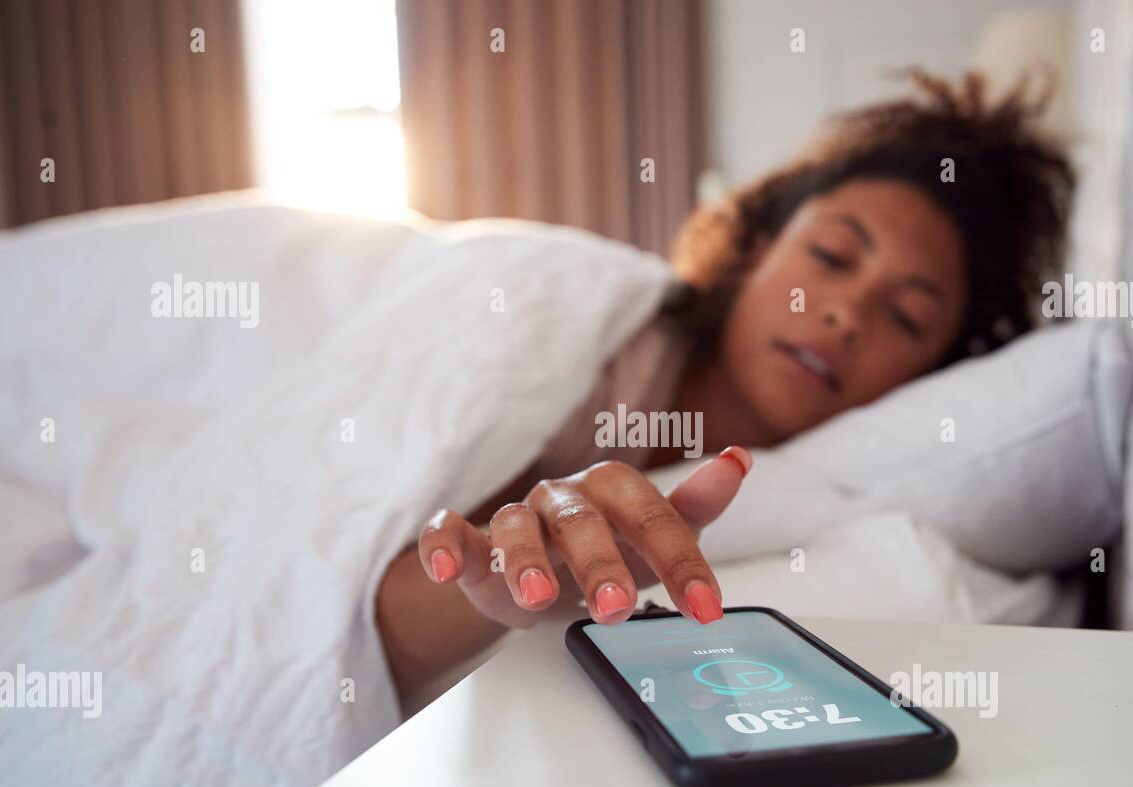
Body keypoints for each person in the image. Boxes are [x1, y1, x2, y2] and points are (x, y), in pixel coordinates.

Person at [375, 71, 1074, 709]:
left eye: (906, 317)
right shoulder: (586, 344)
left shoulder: (837, 499)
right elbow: (366, 630)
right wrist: (491, 576)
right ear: (754, 244)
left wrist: (513, 595)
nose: (846, 315)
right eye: (831, 256)